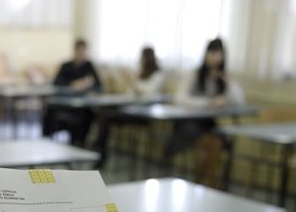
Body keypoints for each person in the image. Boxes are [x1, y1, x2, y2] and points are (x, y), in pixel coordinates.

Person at [173, 38, 245, 188]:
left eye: (218, 53)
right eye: (212, 53)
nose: (215, 57)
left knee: (215, 142)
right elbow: (179, 98)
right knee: (209, 143)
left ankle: (203, 183)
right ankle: (209, 183)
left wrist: (229, 83)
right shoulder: (195, 74)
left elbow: (239, 101)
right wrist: (208, 103)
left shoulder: (223, 77)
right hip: (190, 123)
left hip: (209, 124)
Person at [93, 46, 166, 167]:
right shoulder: (140, 73)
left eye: (142, 57)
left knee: (106, 116)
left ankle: (99, 149)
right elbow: (130, 94)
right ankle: (99, 148)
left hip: (143, 114)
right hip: (130, 109)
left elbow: (146, 93)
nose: (140, 60)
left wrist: (132, 80)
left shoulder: (157, 75)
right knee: (104, 112)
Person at [43, 39, 102, 146]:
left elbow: (99, 85)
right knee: (51, 111)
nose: (82, 54)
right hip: (65, 103)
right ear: (75, 51)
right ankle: (48, 140)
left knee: (90, 114)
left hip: (83, 104)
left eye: (84, 52)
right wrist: (73, 84)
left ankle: (80, 143)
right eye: (80, 51)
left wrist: (88, 85)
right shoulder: (66, 66)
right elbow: (57, 83)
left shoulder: (89, 66)